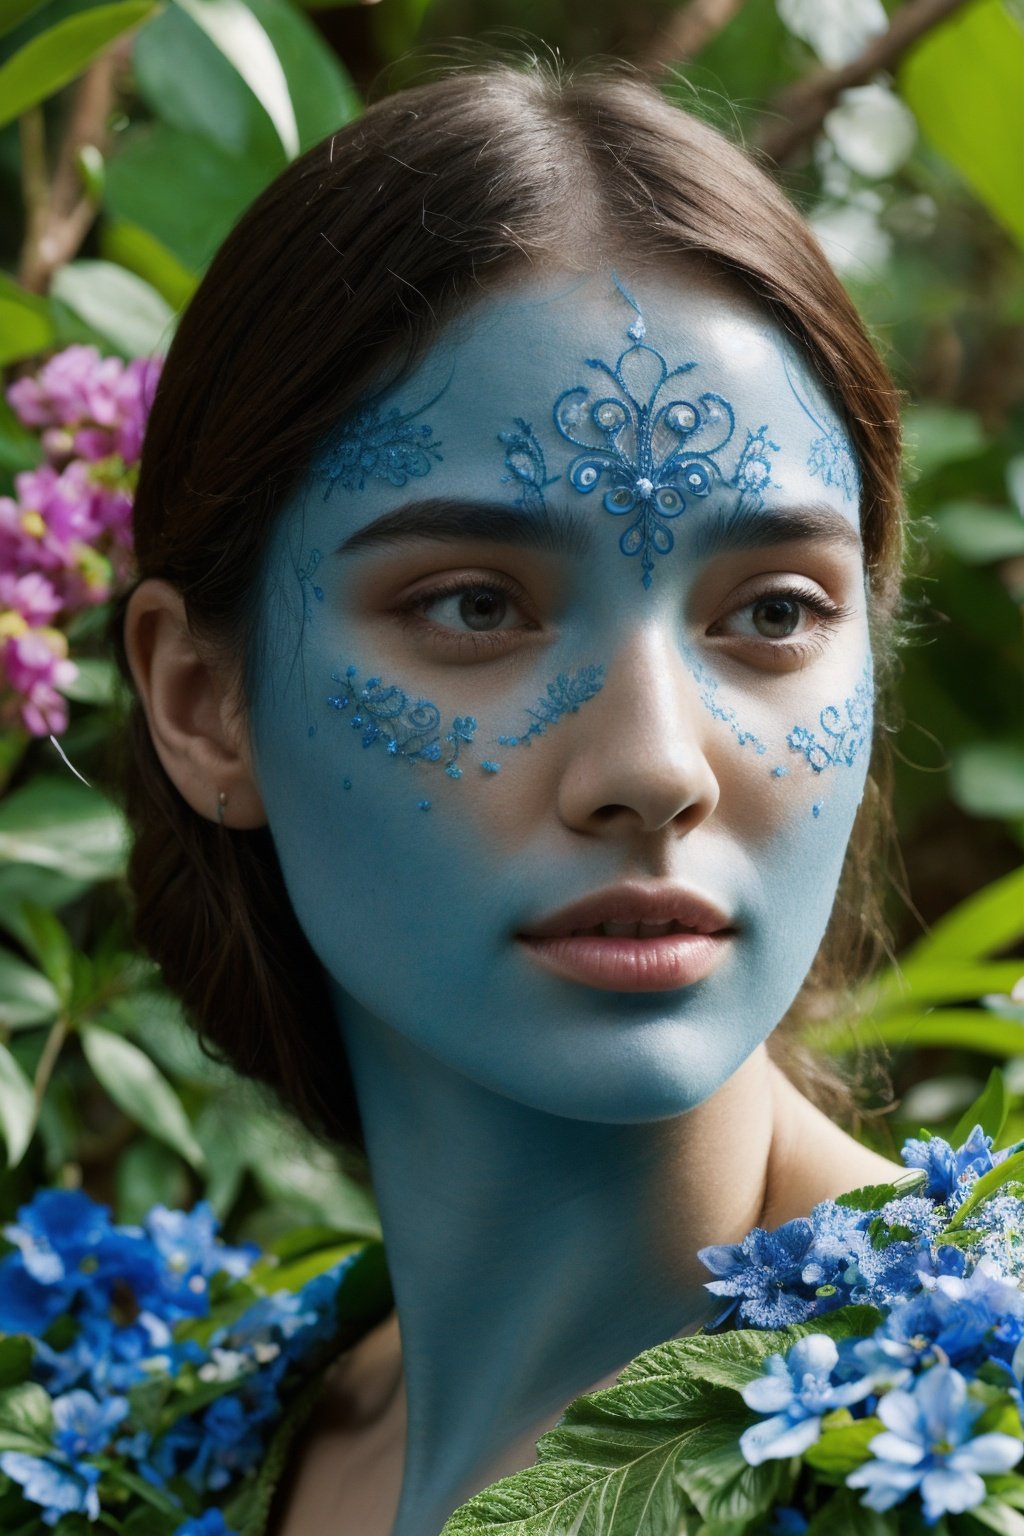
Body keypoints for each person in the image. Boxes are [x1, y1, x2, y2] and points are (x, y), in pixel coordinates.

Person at [113, 57, 908, 1536]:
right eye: (476, 608)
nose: (656, 768)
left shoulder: (965, 1440)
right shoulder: (148, 1457)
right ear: (201, 704)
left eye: (777, 613)